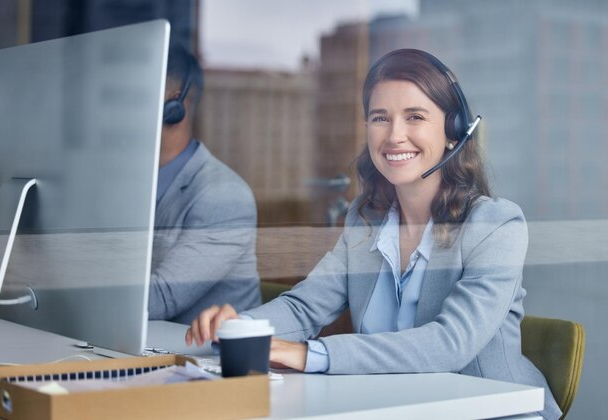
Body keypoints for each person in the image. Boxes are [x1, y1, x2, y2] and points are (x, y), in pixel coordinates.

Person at [185, 49, 560, 419]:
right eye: (380, 118)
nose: (395, 135)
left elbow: (451, 344)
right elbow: (306, 306)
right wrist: (241, 329)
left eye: (415, 116)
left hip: (493, 413)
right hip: (395, 407)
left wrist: (311, 355)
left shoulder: (496, 225)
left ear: (452, 131)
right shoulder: (366, 220)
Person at [148, 44, 261, 324]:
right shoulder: (127, 183)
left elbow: (156, 300)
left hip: (204, 361)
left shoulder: (225, 197)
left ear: (175, 105)